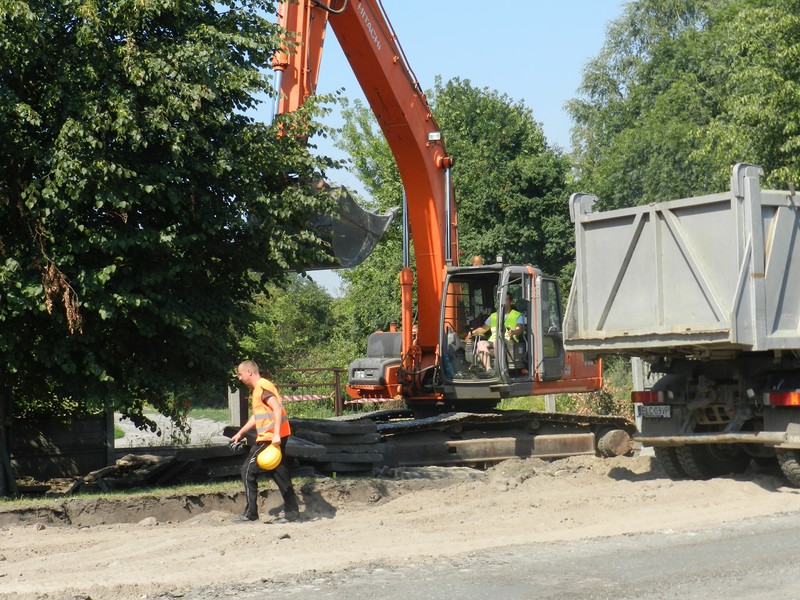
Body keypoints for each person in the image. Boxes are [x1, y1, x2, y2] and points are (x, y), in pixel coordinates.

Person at [231, 360, 300, 523]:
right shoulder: (259, 389)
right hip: (275, 436)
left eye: (240, 374)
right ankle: (292, 514)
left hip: (270, 438)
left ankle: (251, 514)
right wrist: (241, 432)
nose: (239, 378)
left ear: (249, 372)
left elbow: (276, 408)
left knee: (247, 471)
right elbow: (257, 416)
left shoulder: (262, 386)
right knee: (279, 474)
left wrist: (275, 435)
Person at [466, 293, 523, 370]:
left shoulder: (517, 315)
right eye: (500, 300)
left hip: (510, 341)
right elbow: (483, 329)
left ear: (511, 302)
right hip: (493, 340)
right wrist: (473, 332)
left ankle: (499, 369)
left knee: (497, 342)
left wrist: (513, 332)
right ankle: (489, 370)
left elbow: (519, 329)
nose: (502, 302)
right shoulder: (493, 316)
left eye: (505, 300)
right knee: (480, 344)